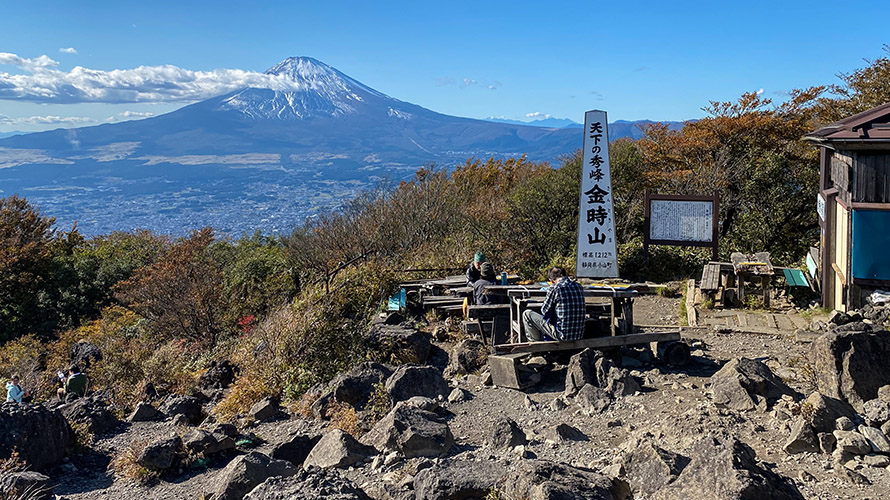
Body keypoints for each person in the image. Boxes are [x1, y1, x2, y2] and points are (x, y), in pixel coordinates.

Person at [522, 267, 586, 342]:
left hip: (562, 335)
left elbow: (544, 311)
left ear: (552, 280)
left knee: (527, 314)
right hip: (579, 334)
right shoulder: (578, 286)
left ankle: (535, 345)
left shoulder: (555, 288)